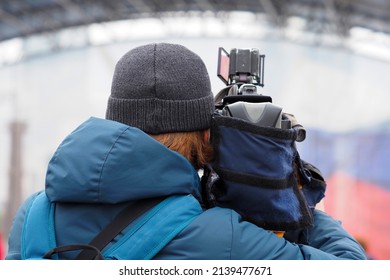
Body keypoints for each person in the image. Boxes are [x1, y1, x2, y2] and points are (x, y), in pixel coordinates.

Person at [6, 42, 366, 260]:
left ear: (113, 118)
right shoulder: (222, 236)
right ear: (207, 136)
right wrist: (284, 193)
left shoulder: (32, 216)